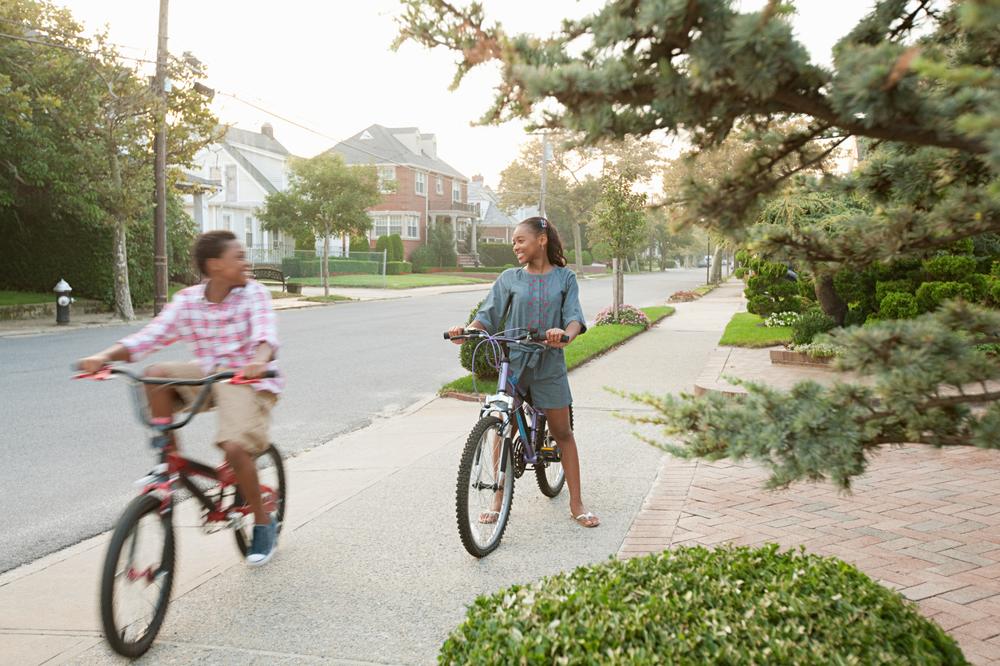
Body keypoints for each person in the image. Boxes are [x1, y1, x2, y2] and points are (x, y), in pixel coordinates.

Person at [77, 230, 283, 565]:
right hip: (207, 373)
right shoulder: (188, 300)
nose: (247, 262)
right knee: (155, 374)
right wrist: (104, 356)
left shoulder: (254, 294)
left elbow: (265, 335)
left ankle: (262, 523)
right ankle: (168, 459)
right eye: (239, 257)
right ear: (215, 266)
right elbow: (150, 336)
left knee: (234, 446)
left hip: (245, 377)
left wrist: (259, 361)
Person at [448, 216, 599, 528]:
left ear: (540, 240)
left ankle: (577, 502)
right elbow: (487, 315)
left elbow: (574, 317)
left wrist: (565, 334)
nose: (515, 246)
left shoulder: (565, 278)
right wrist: (469, 331)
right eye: (514, 241)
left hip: (549, 364)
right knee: (502, 426)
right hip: (514, 363)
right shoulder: (509, 278)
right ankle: (497, 498)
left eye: (520, 240)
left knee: (562, 433)